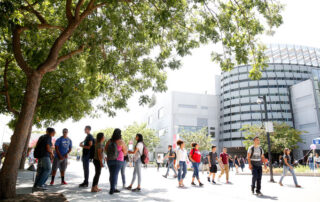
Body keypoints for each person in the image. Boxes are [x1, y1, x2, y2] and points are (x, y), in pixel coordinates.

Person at [33, 128, 55, 192]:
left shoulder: (42, 136)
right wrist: (52, 154)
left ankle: (36, 184)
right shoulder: (48, 137)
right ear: (52, 132)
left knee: (41, 170)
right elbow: (48, 148)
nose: (54, 133)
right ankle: (40, 184)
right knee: (48, 169)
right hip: (44, 156)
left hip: (40, 156)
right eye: (54, 132)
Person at [105, 128, 127, 195]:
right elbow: (125, 152)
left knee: (112, 174)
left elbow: (105, 149)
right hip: (118, 160)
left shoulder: (109, 141)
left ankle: (113, 188)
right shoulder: (121, 142)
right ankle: (112, 189)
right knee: (115, 174)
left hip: (109, 160)